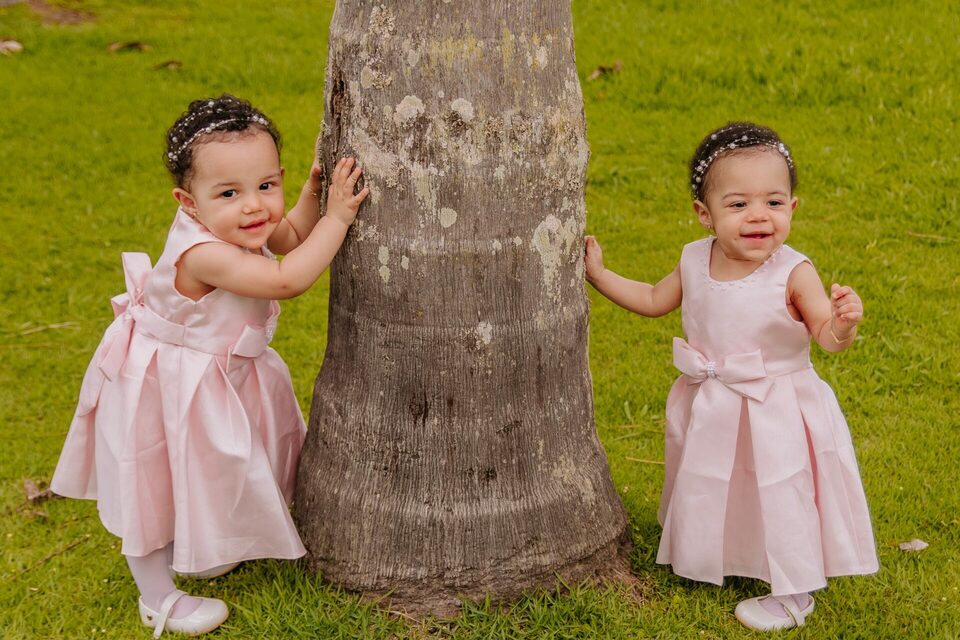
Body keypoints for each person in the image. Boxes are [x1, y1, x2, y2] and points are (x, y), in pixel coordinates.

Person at [51, 94, 368, 637]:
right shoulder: (203, 254)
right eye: (230, 193)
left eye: (267, 186)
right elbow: (286, 279)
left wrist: (314, 196)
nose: (255, 207)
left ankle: (207, 542)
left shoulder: (239, 224)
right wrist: (338, 218)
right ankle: (157, 596)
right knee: (155, 479)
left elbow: (287, 236)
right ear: (188, 202)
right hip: (168, 383)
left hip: (214, 377)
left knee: (213, 467)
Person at [585, 122, 878, 631]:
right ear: (706, 214)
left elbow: (824, 338)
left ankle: (795, 588)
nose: (758, 215)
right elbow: (655, 300)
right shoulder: (695, 258)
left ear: (793, 208)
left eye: (774, 202)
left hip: (776, 407)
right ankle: (724, 551)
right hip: (715, 401)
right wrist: (600, 275)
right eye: (738, 204)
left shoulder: (794, 272)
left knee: (781, 489)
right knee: (724, 482)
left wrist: (844, 325)